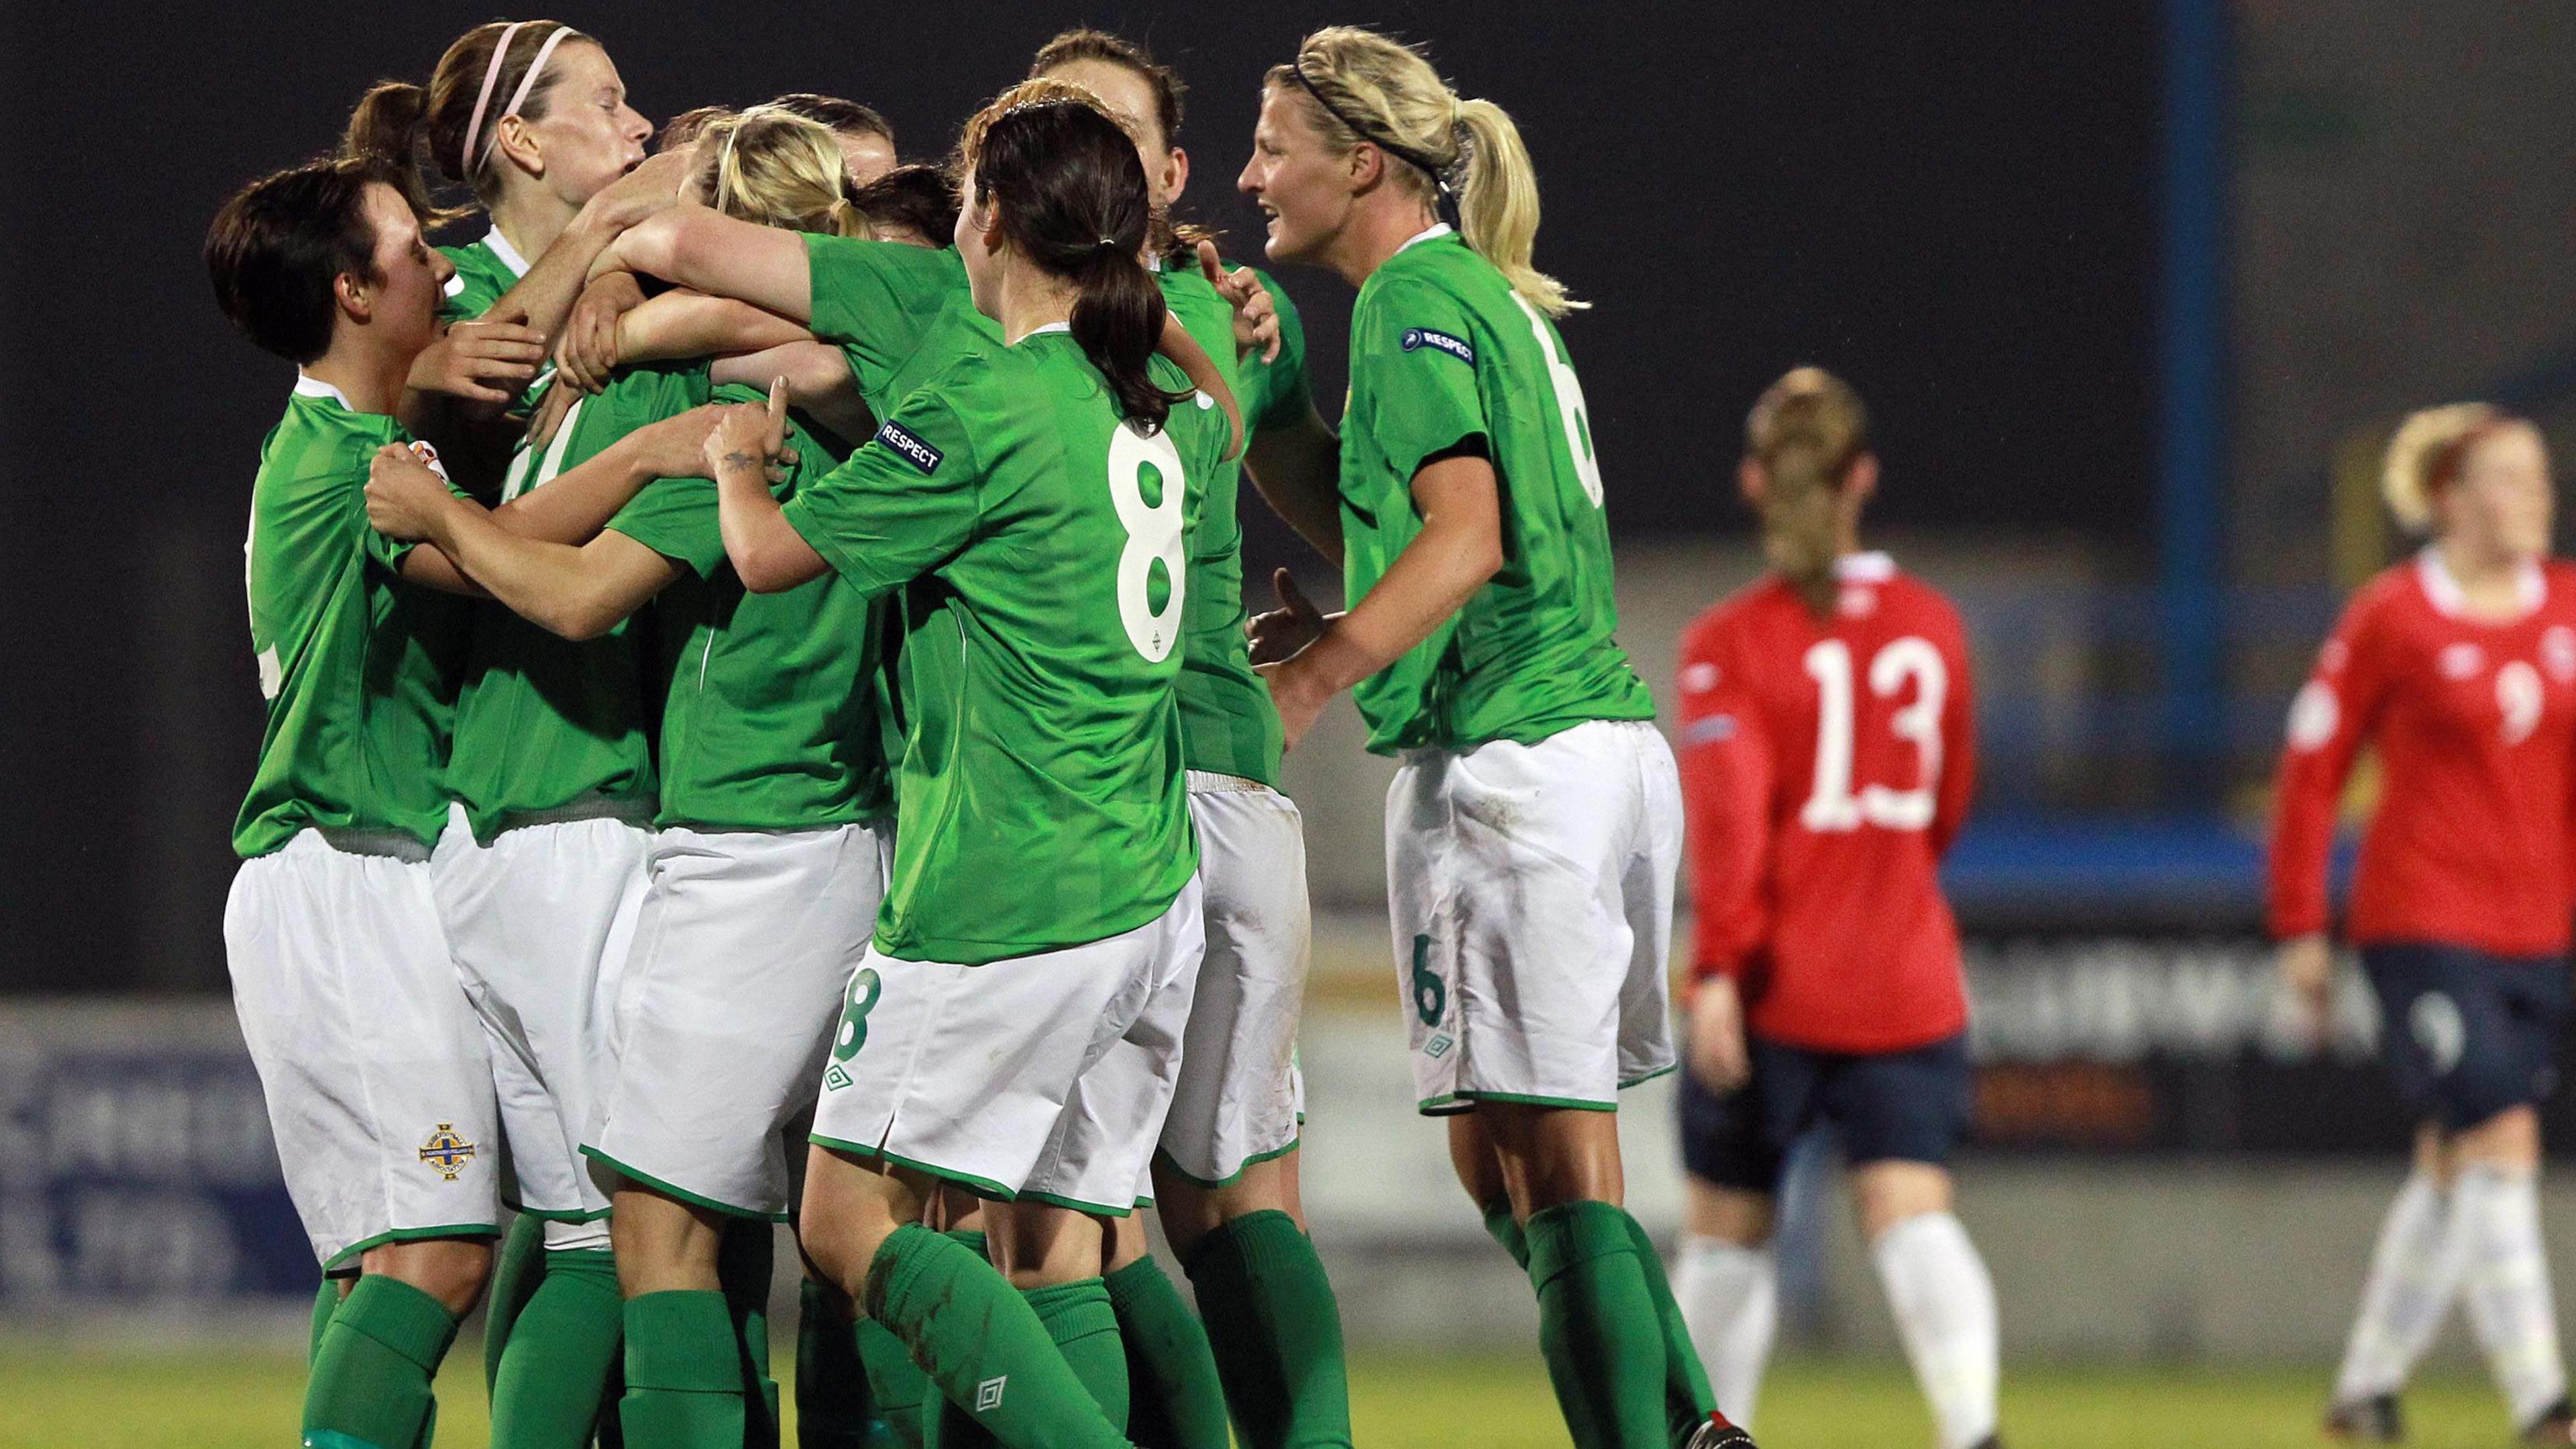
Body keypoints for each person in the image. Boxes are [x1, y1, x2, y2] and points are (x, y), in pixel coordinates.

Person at [665, 88, 1232, 1448]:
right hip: (1145, 883)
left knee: (850, 1220)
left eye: (969, 194)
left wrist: (741, 463)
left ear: (990, 220)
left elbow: (768, 558)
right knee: (1051, 1227)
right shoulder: (1151, 405)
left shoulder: (981, 402)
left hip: (1003, 890)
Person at [368, 104, 910, 1449]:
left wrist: (444, 507)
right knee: (690, 1221)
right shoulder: (709, 372)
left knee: (633, 1222)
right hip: (646, 832)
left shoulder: (721, 397)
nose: (640, 148)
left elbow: (566, 592)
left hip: (682, 833)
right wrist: (612, 280)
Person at [1237, 27, 1739, 1449]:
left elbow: (1461, 541)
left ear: (1366, 163)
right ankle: (1696, 1423)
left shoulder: (1413, 305)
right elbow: (1395, 523)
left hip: (1516, 761)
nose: (1249, 172)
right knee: (1501, 1166)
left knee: (1558, 1168)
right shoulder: (1471, 297)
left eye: (1276, 145)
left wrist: (1324, 668)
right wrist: (1271, 404)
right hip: (1582, 752)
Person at [209, 152, 711, 1449]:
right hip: (340, 874)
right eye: (411, 251)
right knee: (437, 1254)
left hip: (361, 873)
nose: (443, 268)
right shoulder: (345, 463)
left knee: (394, 1261)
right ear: (352, 295)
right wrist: (656, 448)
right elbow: (517, 553)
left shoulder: (352, 439)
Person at [1030, 29, 1352, 1449]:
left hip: (1123, 796)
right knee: (1235, 1196)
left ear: (1162, 173)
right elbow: (1319, 483)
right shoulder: (1228, 313)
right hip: (1237, 784)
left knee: (1071, 1214)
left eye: (1112, 136)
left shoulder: (1035, 328)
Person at [1670, 369, 1998, 1449]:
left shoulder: (1731, 641)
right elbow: (1946, 811)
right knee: (1912, 1215)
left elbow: (1733, 830)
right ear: (1864, 479)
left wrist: (1719, 967)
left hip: (1773, 984)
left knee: (1727, 1232)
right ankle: (1973, 1430)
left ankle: (1716, 1437)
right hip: (1905, 973)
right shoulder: (1934, 627)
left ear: (1754, 483)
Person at [2270, 404, 2576, 1445]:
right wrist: (2300, 922)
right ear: (2449, 497)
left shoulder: (2571, 609)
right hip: (2424, 921)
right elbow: (2312, 772)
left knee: (2455, 1158)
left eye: (2540, 473)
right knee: (2502, 1136)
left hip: (2540, 932)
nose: (2538, 492)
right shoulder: (2392, 615)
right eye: (2510, 476)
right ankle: (2546, 1404)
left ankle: (2365, 1391)